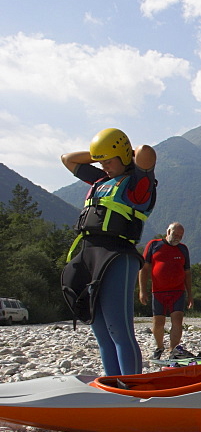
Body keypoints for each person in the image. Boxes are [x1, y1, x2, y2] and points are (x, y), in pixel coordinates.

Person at [60, 128, 156, 376]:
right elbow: (67, 159)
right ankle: (114, 386)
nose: (104, 166)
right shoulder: (101, 180)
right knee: (101, 333)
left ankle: (134, 390)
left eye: (108, 161)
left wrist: (124, 151)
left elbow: (146, 153)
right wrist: (102, 154)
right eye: (100, 161)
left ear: (124, 156)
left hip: (117, 255)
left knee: (120, 331)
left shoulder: (137, 184)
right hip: (90, 254)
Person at [139, 222, 194, 360]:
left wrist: (190, 295)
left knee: (177, 321)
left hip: (178, 291)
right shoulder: (153, 245)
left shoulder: (183, 249)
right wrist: (142, 290)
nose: (177, 238)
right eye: (175, 234)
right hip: (158, 291)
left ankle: (173, 350)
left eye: (180, 236)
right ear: (168, 231)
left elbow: (187, 272)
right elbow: (144, 269)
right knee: (158, 323)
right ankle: (159, 347)